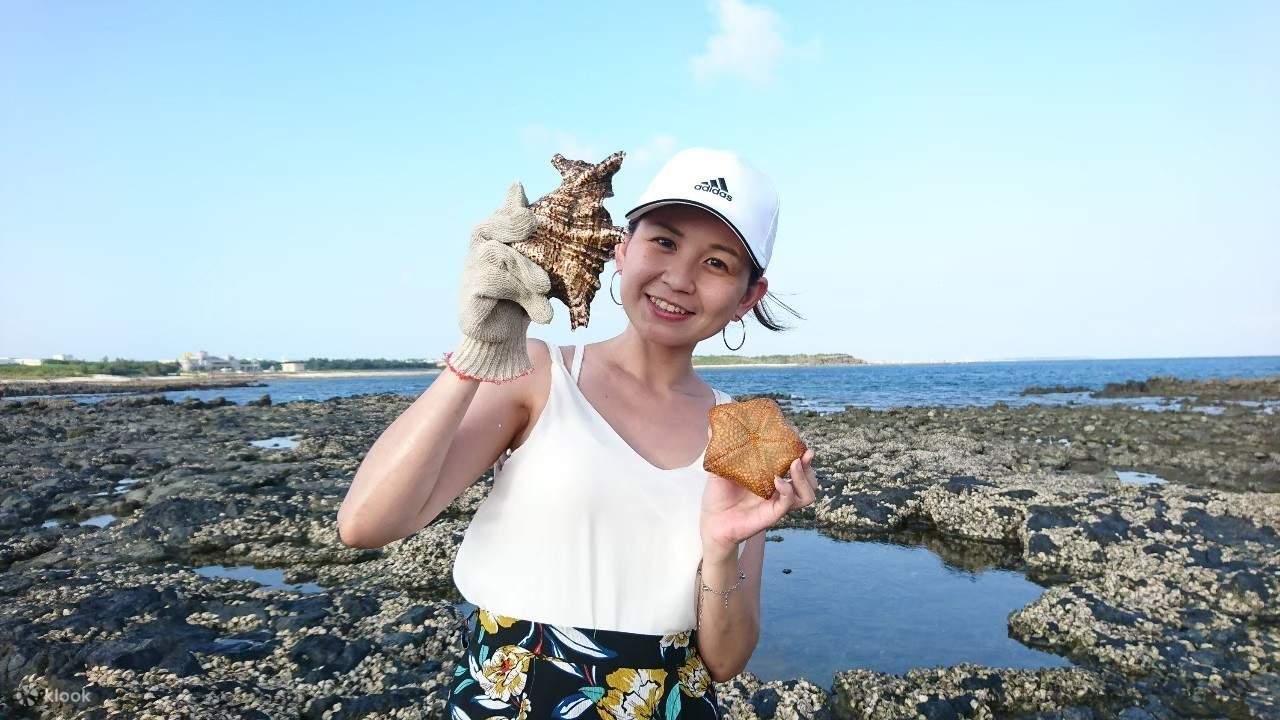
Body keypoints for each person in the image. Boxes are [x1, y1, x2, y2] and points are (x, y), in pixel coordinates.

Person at [337, 147, 816, 719]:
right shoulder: (538, 374)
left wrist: (719, 549)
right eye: (663, 242)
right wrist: (477, 354)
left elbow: (726, 659)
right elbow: (366, 524)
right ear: (620, 248)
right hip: (513, 698)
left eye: (717, 263)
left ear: (747, 297)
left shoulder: (743, 432)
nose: (679, 280)